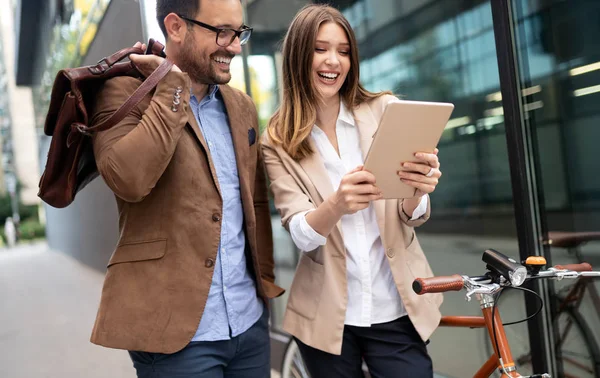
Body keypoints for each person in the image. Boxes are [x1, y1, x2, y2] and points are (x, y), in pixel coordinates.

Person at [88, 1, 283, 377]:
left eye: (239, 33)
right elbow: (128, 178)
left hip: (248, 323)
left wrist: (265, 282)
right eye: (222, 32)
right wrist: (172, 90)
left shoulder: (241, 106)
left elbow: (254, 200)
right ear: (176, 27)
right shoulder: (123, 91)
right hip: (175, 337)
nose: (235, 46)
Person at [261, 4, 443, 378]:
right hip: (327, 319)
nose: (334, 61)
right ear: (297, 54)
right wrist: (337, 205)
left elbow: (411, 214)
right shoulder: (277, 139)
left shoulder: (385, 110)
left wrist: (417, 191)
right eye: (320, 48)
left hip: (395, 307)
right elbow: (300, 234)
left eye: (343, 51)